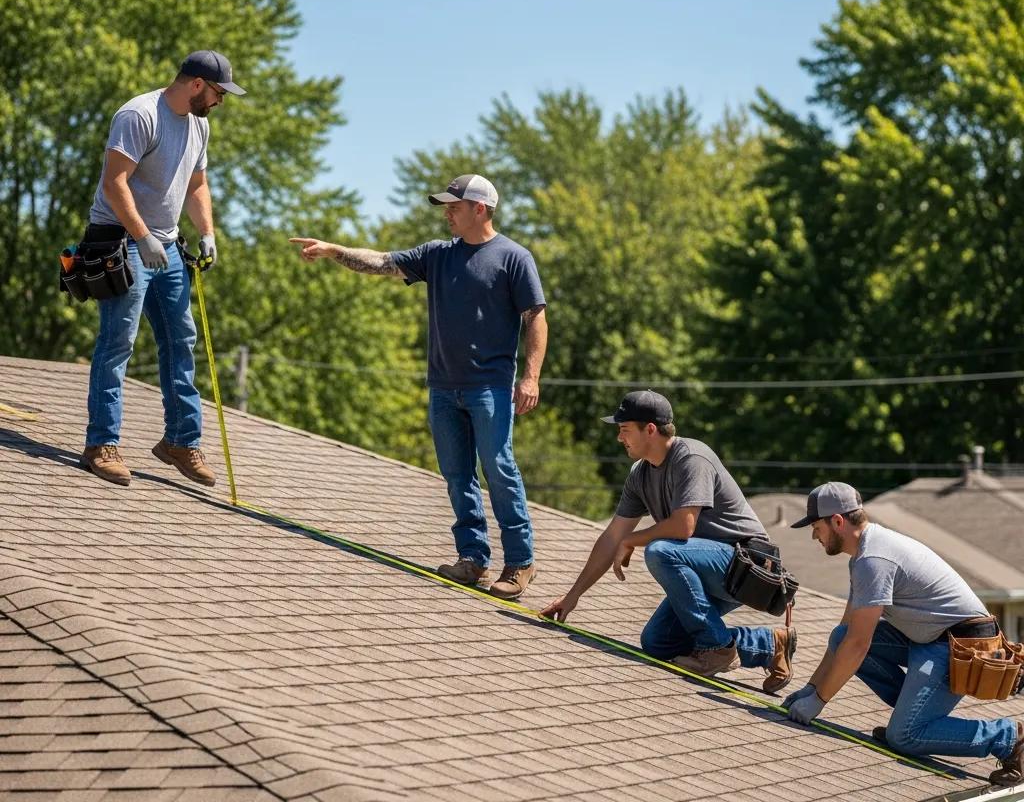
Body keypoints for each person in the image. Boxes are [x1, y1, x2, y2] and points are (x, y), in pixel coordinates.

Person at [289, 173, 547, 600]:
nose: (447, 212)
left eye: (454, 206)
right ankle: (473, 559)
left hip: (490, 389)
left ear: (479, 208)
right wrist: (334, 251)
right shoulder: (437, 255)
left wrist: (531, 376)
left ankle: (520, 563)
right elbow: (382, 261)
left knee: (499, 470)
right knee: (457, 475)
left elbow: (535, 316)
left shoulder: (514, 258)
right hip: (444, 387)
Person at [540, 390, 797, 692]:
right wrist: (573, 597)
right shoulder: (640, 475)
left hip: (745, 567)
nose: (619, 438)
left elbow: (683, 527)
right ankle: (770, 646)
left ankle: (718, 649)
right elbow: (612, 536)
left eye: (624, 429)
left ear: (650, 429)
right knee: (658, 642)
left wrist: (632, 541)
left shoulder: (692, 458)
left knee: (660, 550)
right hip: (708, 569)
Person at [784, 482, 1022, 788]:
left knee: (904, 736)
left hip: (961, 645)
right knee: (838, 636)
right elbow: (848, 633)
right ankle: (914, 716)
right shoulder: (864, 555)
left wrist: (819, 700)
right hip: (930, 638)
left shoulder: (874, 560)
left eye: (817, 527)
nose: (815, 536)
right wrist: (812, 686)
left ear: (838, 521)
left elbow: (859, 644)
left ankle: (1009, 739)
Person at [81, 50, 246, 489]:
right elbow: (114, 182)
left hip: (168, 247)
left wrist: (207, 232)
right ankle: (101, 445)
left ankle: (180, 441)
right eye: (217, 93)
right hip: (122, 239)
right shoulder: (139, 115)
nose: (219, 102)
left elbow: (197, 184)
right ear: (196, 84)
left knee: (182, 338)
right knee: (118, 340)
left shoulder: (199, 125)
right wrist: (141, 236)